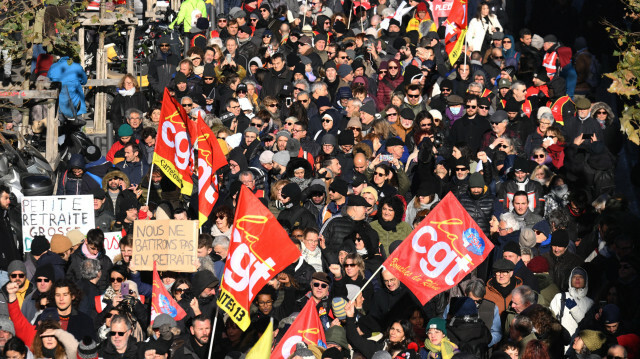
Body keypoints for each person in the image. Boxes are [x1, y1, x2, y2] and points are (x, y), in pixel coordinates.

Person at [549, 267, 593, 336]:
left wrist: (574, 308)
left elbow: (588, 325)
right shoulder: (560, 297)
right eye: (574, 277)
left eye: (581, 277)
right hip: (562, 343)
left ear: (585, 281)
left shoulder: (590, 303)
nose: (577, 279)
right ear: (570, 280)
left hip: (580, 343)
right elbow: (550, 318)